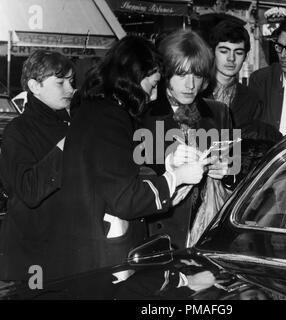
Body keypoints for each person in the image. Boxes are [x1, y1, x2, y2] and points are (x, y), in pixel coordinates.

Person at [52, 35, 207, 280]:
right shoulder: (111, 119)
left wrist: (169, 164)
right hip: (105, 255)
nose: (155, 95)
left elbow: (113, 175)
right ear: (133, 78)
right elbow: (126, 198)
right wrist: (176, 177)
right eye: (152, 85)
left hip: (89, 246)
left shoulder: (95, 109)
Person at [141, 29, 233, 249]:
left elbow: (235, 170)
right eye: (181, 74)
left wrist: (227, 173)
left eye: (197, 75)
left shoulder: (219, 112)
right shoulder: (144, 114)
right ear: (165, 74)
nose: (190, 85)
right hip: (157, 232)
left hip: (205, 231)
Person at [0, 50, 75, 281]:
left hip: (69, 249)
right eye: (60, 82)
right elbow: (29, 190)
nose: (70, 89)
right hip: (34, 255)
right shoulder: (18, 131)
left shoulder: (71, 123)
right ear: (35, 86)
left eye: (71, 82)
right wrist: (65, 147)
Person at [206, 20, 283, 182]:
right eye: (224, 51)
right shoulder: (196, 92)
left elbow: (256, 150)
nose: (231, 58)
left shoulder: (252, 99)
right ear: (212, 52)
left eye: (238, 52)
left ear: (246, 56)